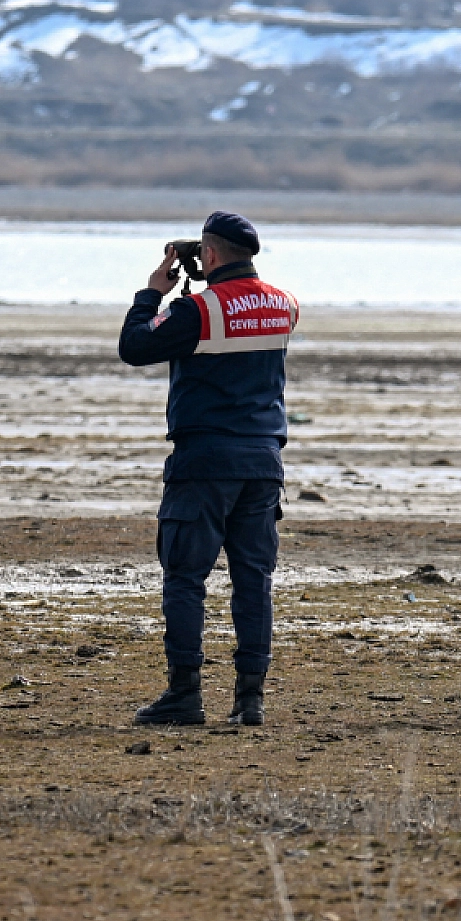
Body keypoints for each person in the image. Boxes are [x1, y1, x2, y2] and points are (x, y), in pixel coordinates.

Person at [117, 212, 300, 727]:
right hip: (263, 460)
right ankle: (250, 699)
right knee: (253, 579)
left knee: (184, 577)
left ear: (210, 255)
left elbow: (135, 346)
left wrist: (153, 292)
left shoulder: (199, 310)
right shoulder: (285, 305)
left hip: (203, 461)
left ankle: (184, 693)